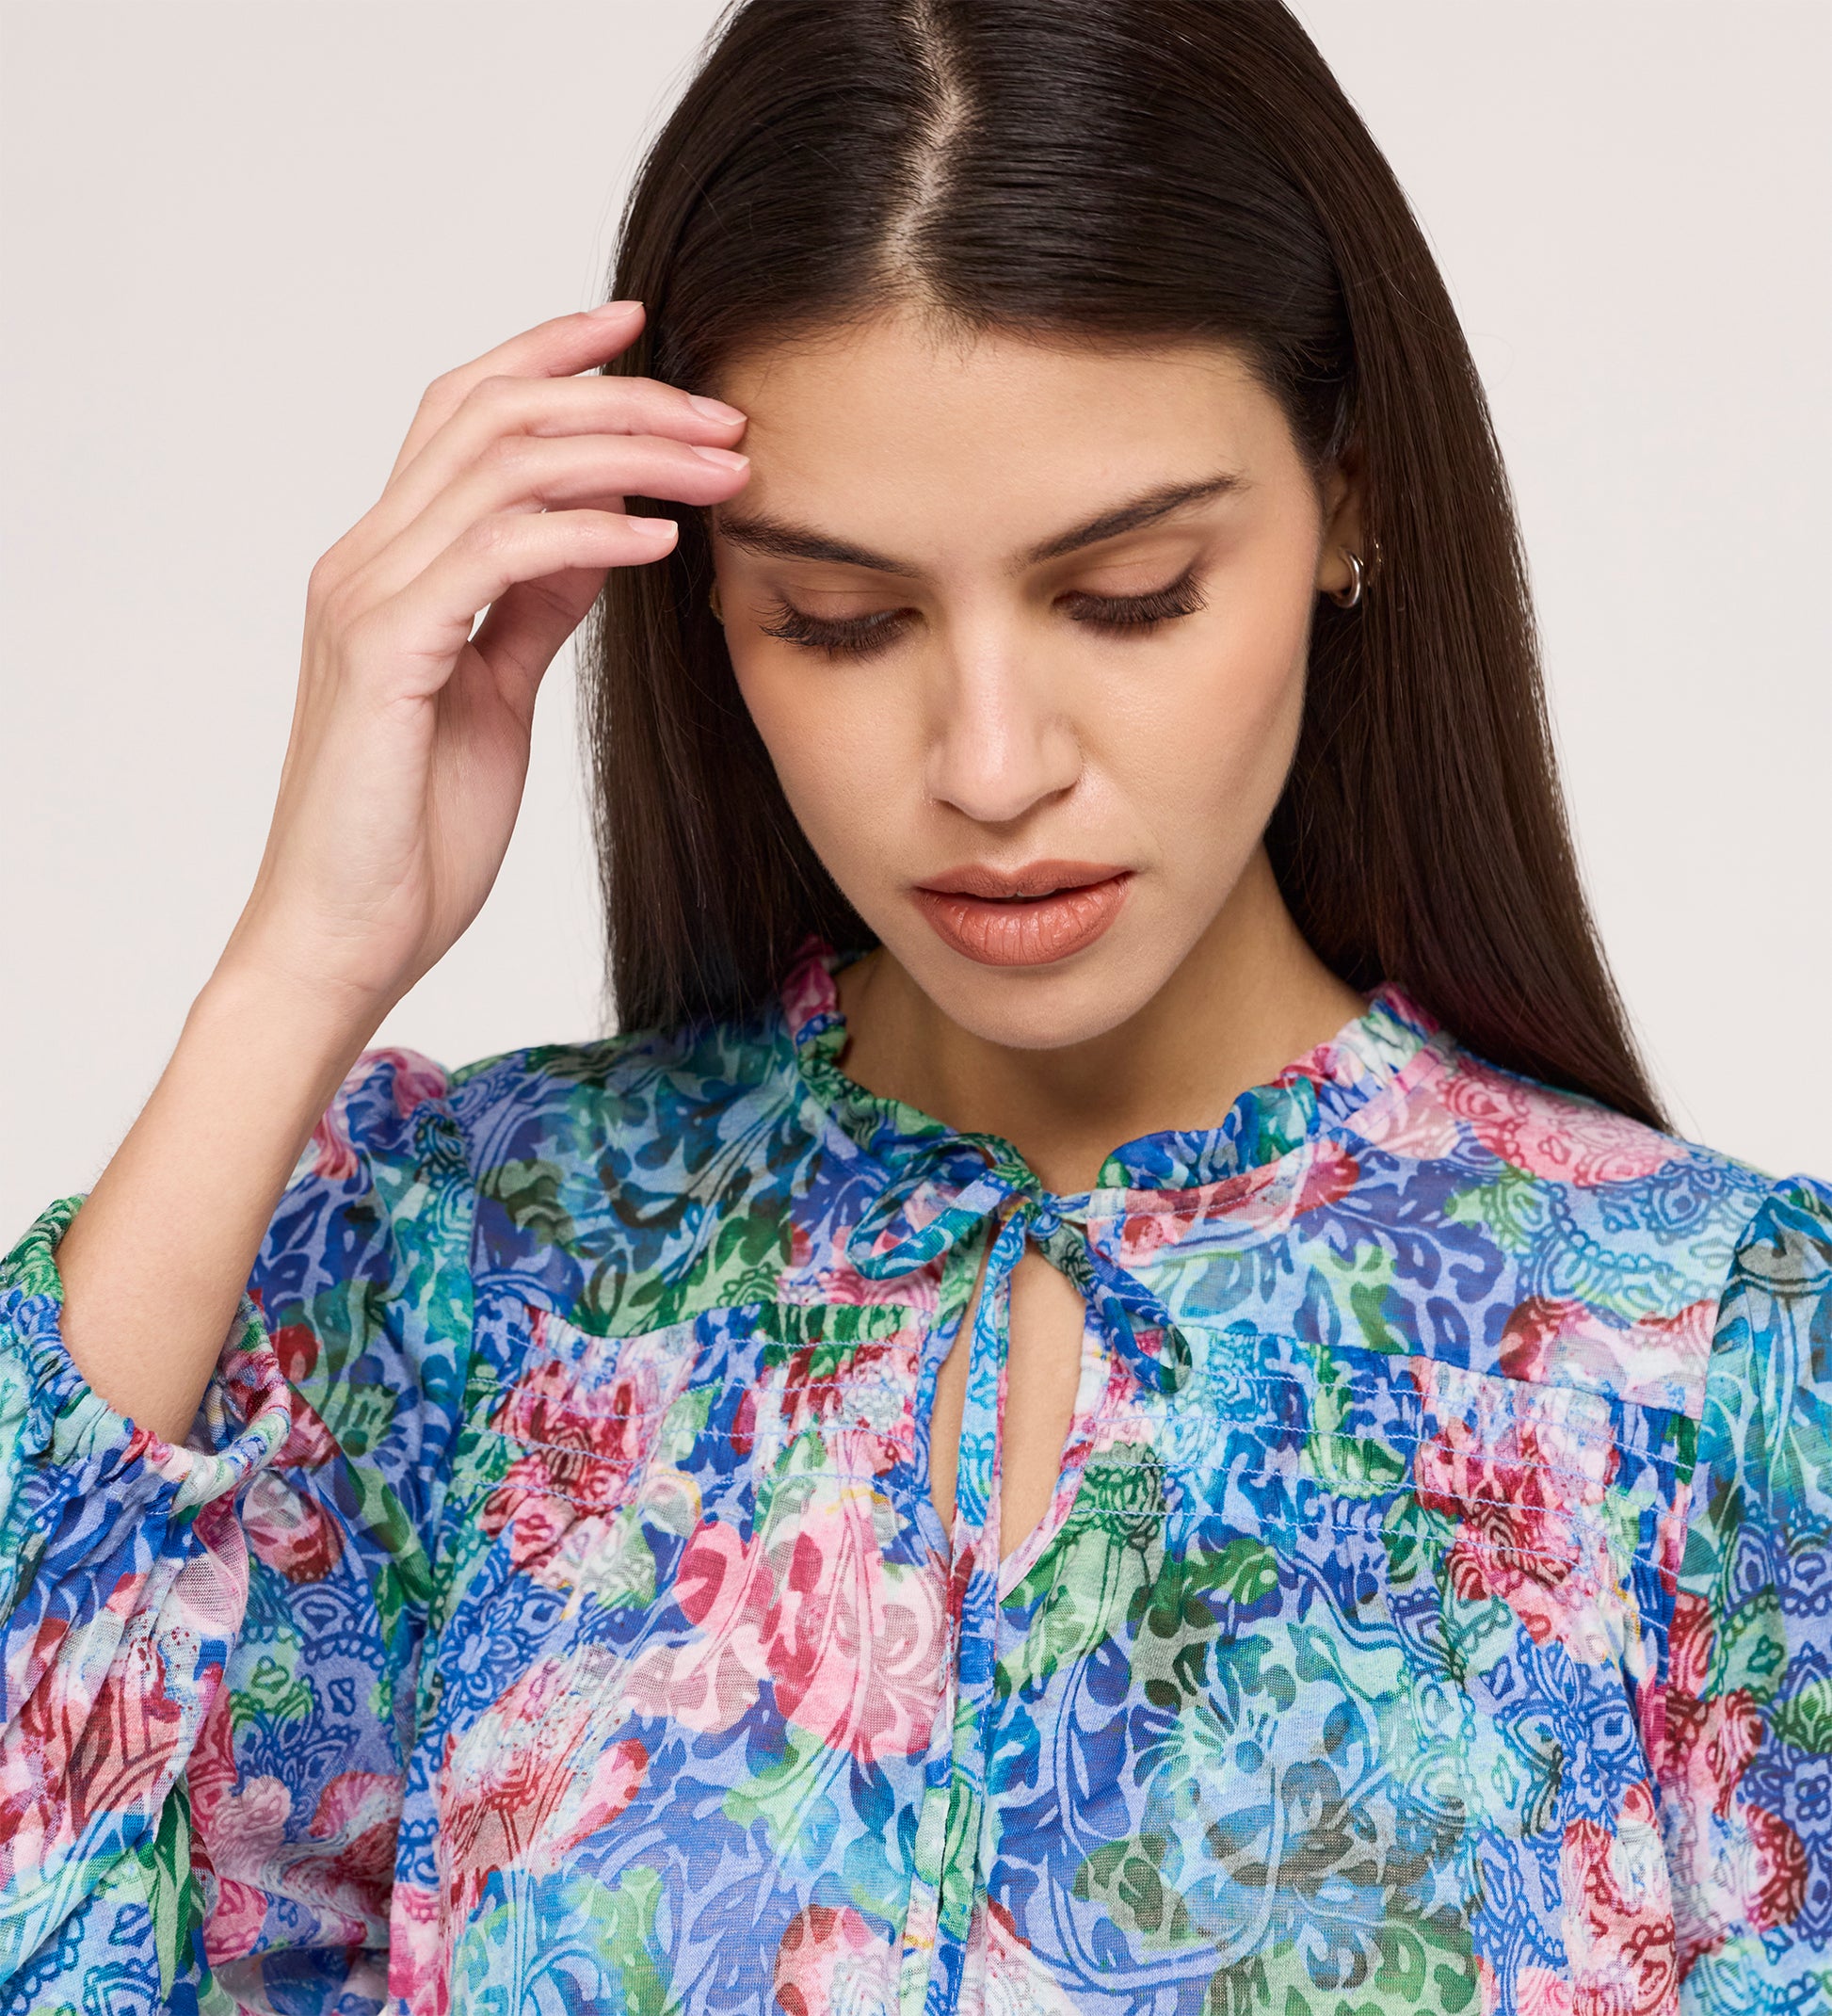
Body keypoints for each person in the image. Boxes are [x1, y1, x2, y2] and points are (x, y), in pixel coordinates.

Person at [3, 1, 1827, 2011]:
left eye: (1127, 595)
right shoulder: (464, 1274)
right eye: (842, 620)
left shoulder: (1709, 1367)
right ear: (705, 601)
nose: (984, 762)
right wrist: (293, 973)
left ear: (1353, 499)